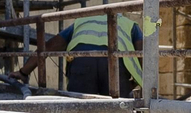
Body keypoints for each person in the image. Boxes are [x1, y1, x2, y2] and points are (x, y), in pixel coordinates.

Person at [14, 14, 144, 96]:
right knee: (119, 111)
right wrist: (143, 84)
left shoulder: (81, 21)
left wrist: (23, 72)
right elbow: (144, 54)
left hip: (82, 61)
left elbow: (48, 47)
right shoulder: (129, 24)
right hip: (114, 65)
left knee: (80, 111)